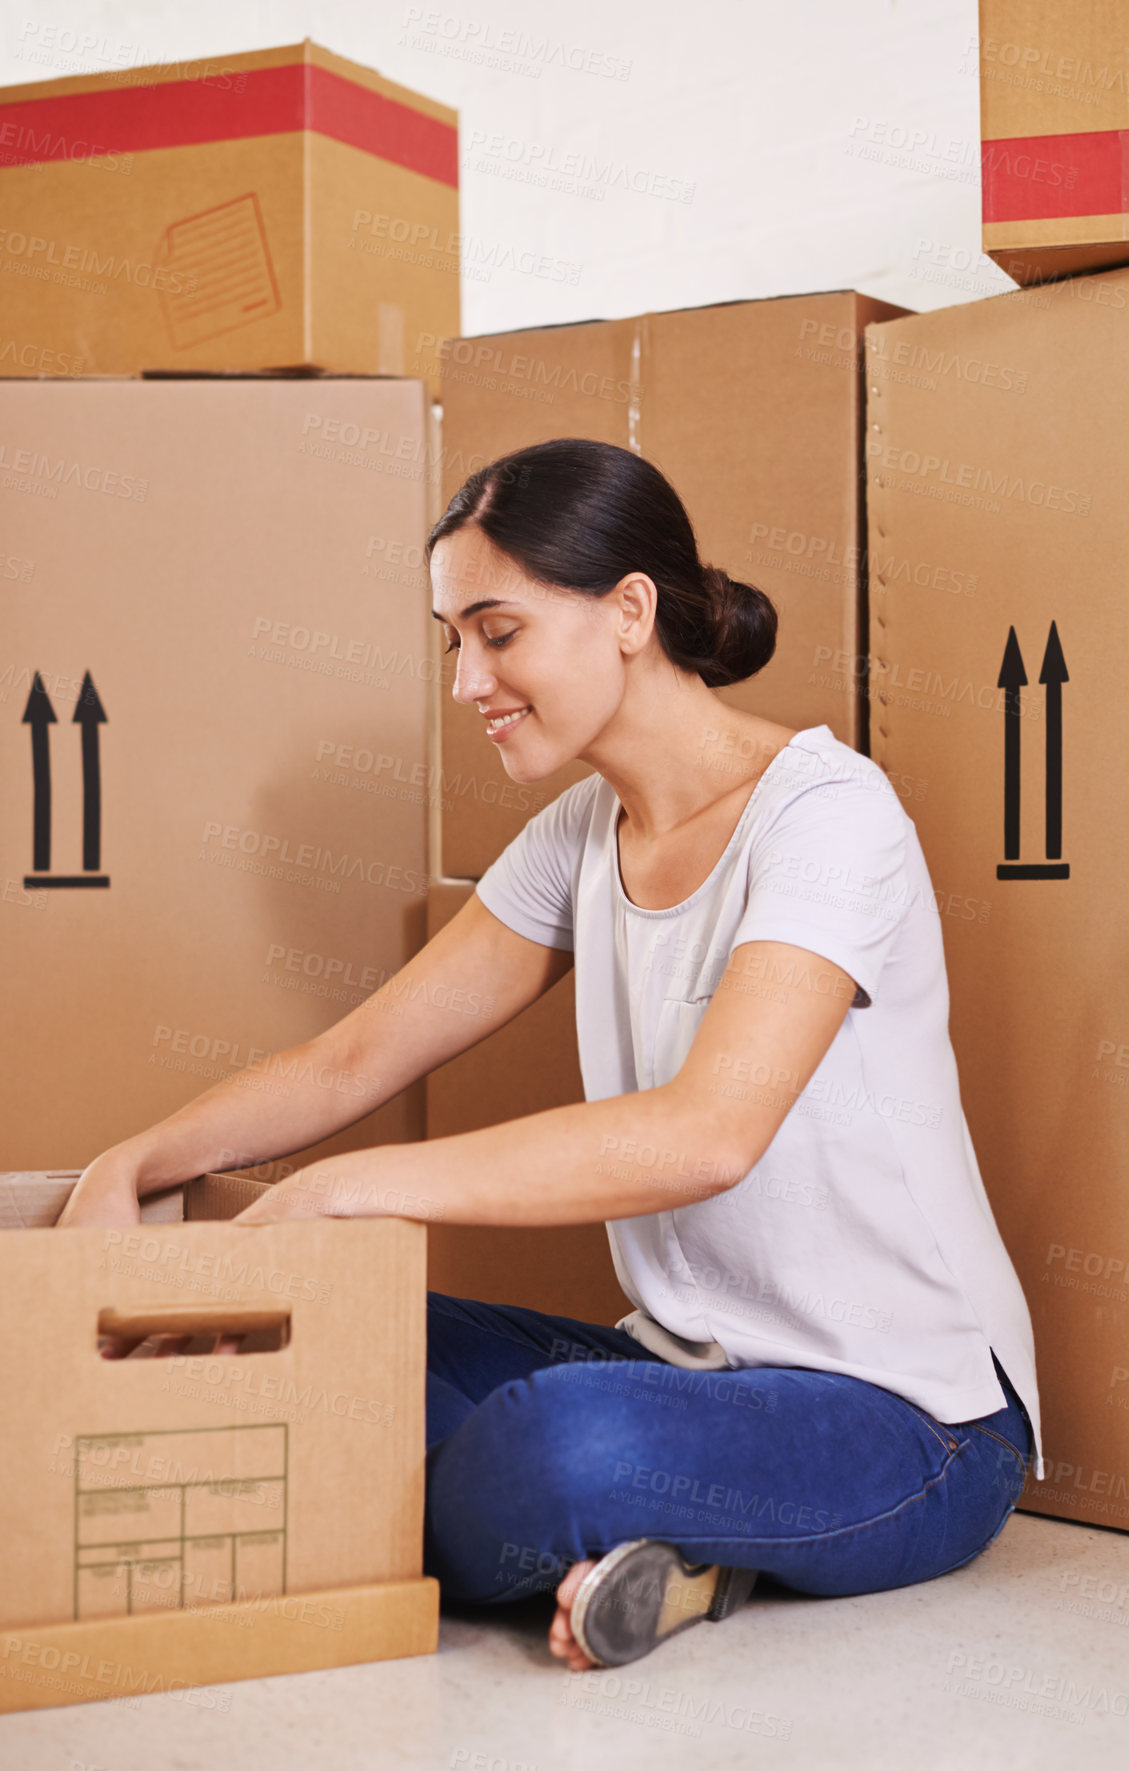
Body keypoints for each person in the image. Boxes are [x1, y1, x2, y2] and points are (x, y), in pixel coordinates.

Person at [58, 437, 1044, 1674]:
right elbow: (359, 1054)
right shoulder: (581, 834)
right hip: (683, 1368)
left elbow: (706, 1134)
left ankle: (537, 1506)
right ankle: (670, 1553)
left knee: (552, 1446)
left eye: (498, 631)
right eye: (451, 641)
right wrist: (128, 1164)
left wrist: (342, 1188)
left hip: (909, 1418)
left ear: (630, 610)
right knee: (333, 1331)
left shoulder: (830, 817)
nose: (468, 677)